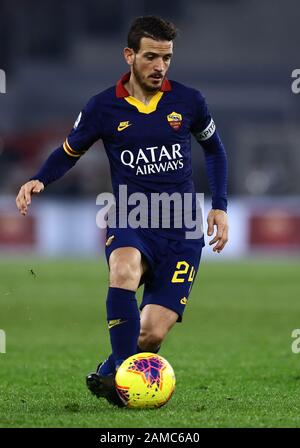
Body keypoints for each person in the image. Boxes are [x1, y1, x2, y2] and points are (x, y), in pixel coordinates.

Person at [16, 16, 229, 407]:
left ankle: (111, 369)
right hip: (132, 217)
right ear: (129, 55)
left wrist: (220, 207)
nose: (159, 66)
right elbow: (69, 151)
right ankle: (124, 390)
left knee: (150, 337)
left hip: (182, 226)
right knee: (124, 269)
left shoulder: (189, 101)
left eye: (166, 58)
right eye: (150, 57)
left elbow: (214, 150)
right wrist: (39, 179)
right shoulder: (103, 107)